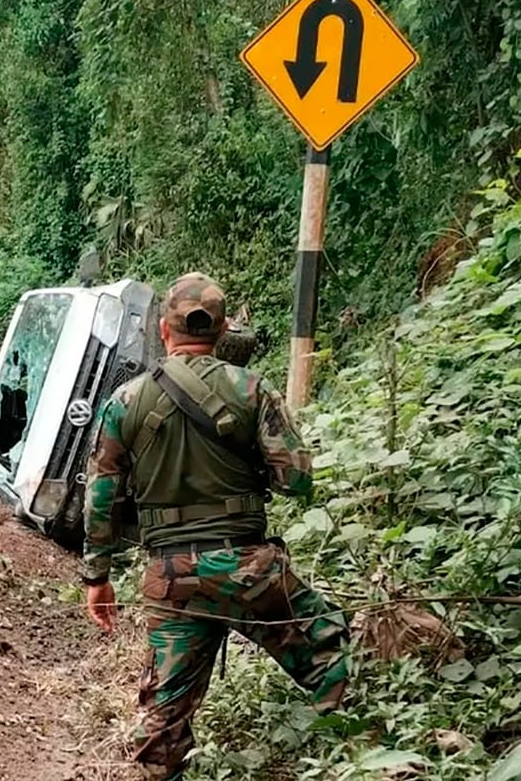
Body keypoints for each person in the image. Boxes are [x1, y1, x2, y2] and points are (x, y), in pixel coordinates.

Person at [80, 273, 350, 781]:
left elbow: (101, 496)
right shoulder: (252, 389)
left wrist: (97, 577)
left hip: (171, 580)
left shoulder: (125, 401)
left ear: (163, 330)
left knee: (162, 719)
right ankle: (345, 761)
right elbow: (296, 481)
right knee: (328, 649)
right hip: (249, 569)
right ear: (224, 330)